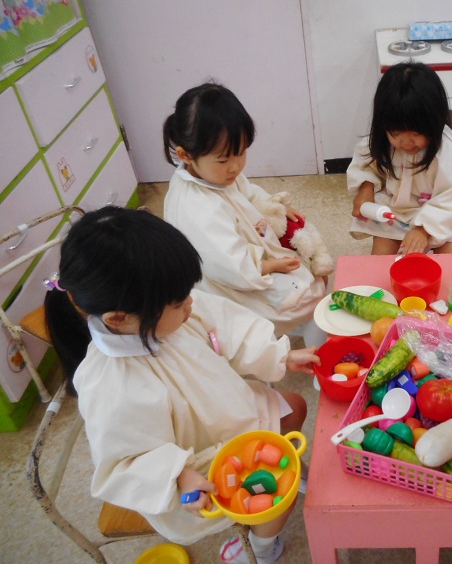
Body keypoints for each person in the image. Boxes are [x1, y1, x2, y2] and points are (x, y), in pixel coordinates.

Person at [44, 206, 319, 564]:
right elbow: (124, 462)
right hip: (202, 462)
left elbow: (229, 327)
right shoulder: (110, 384)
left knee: (295, 405)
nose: (191, 304)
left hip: (231, 411)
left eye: (187, 292)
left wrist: (281, 355)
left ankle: (291, 469)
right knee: (281, 501)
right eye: (179, 302)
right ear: (119, 318)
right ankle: (260, 549)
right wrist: (177, 477)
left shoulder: (163, 308)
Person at [162, 82, 330, 346]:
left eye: (241, 153)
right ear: (186, 155)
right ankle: (311, 352)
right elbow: (229, 264)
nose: (235, 166)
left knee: (312, 269)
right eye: (223, 160)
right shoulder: (197, 207)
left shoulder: (216, 175)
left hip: (248, 257)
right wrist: (268, 265)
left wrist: (274, 207)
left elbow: (249, 192)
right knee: (313, 294)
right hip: (231, 284)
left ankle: (308, 331)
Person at [348, 61, 452, 255]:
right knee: (380, 256)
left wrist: (423, 229)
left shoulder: (448, 153)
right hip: (397, 210)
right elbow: (365, 166)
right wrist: (365, 188)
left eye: (416, 133)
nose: (405, 142)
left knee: (448, 259)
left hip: (444, 212)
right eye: (396, 133)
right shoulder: (381, 141)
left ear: (435, 122)